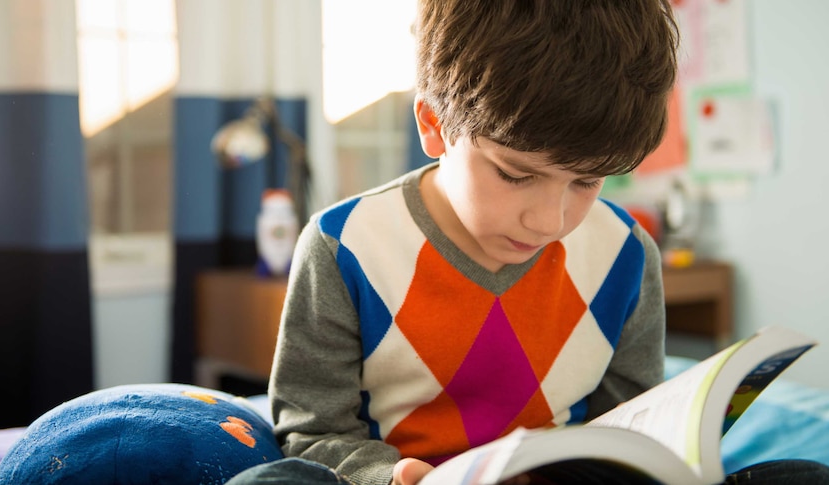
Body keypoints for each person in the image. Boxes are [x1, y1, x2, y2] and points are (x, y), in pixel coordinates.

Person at [227, 1, 829, 484]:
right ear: (435, 125)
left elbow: (627, 426)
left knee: (800, 474)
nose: (550, 220)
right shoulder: (342, 246)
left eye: (587, 180)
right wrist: (389, 476)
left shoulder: (625, 253)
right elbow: (313, 432)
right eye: (516, 175)